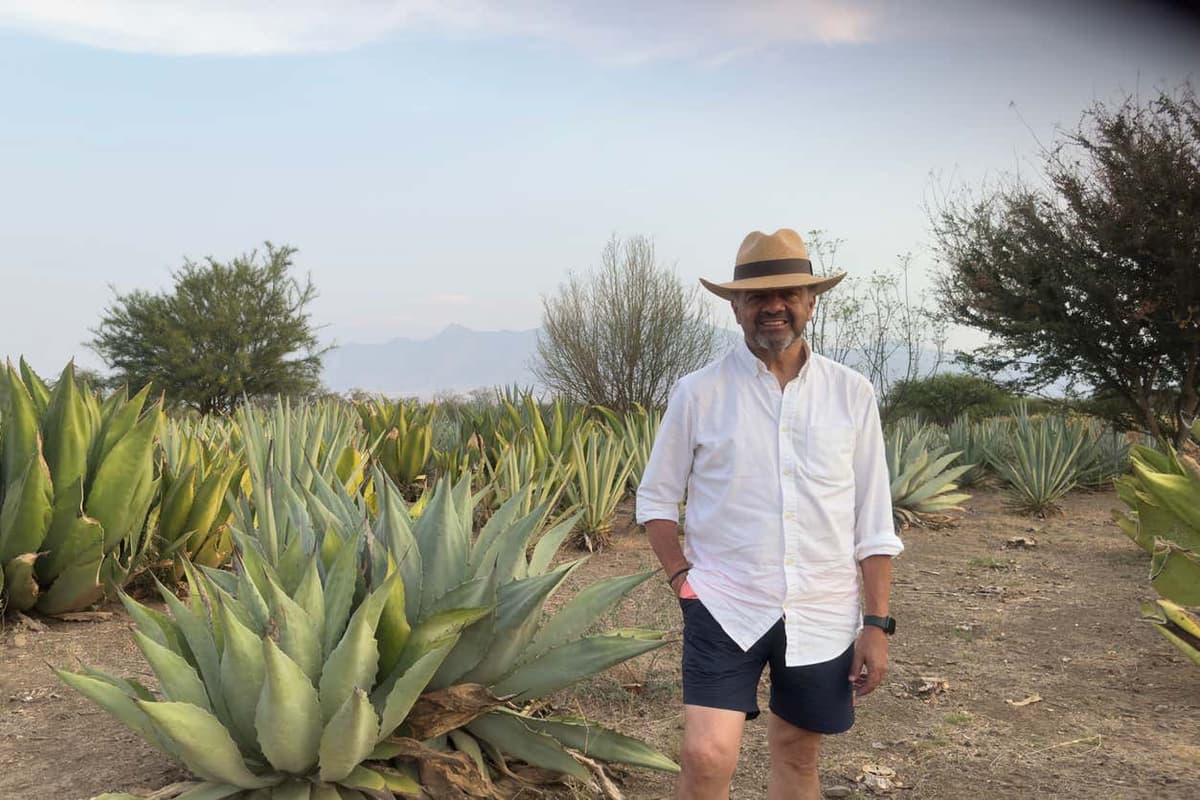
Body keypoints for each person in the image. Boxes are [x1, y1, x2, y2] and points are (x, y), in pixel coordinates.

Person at [636, 228, 903, 800]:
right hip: (724, 604)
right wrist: (683, 579)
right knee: (705, 757)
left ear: (810, 301)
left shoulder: (852, 394)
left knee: (797, 756)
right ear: (736, 307)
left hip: (823, 610)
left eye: (788, 294)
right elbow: (656, 500)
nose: (774, 306)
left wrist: (876, 626)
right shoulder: (697, 393)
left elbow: (874, 521)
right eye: (758, 296)